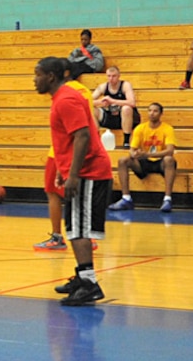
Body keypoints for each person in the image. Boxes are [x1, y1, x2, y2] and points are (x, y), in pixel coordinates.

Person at [35, 57, 113, 307]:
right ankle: (82, 276)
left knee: (80, 229)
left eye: (37, 74)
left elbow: (82, 137)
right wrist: (62, 168)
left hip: (89, 172)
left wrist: (75, 174)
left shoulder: (66, 99)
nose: (34, 80)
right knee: (75, 226)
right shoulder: (61, 97)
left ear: (50, 77)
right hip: (81, 170)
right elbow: (67, 140)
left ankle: (89, 284)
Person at [34, 77, 96, 252]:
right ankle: (87, 236)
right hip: (81, 150)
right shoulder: (84, 91)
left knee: (52, 192)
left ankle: (56, 237)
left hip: (61, 151)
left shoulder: (64, 94)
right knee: (81, 195)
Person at [111, 101, 176, 213]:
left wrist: (149, 154)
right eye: (150, 110)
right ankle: (126, 198)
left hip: (159, 162)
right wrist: (134, 154)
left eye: (155, 111)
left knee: (169, 160)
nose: (152, 113)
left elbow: (170, 150)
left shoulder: (167, 129)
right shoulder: (140, 128)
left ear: (161, 114)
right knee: (123, 160)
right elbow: (132, 148)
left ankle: (167, 199)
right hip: (144, 162)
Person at [91, 65, 138, 142]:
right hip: (110, 117)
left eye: (114, 76)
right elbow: (87, 101)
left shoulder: (125, 85)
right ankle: (96, 139)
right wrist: (100, 102)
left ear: (119, 76)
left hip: (126, 118)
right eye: (109, 76)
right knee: (91, 109)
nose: (111, 79)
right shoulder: (103, 86)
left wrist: (113, 101)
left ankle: (126, 140)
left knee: (126, 108)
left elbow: (132, 102)